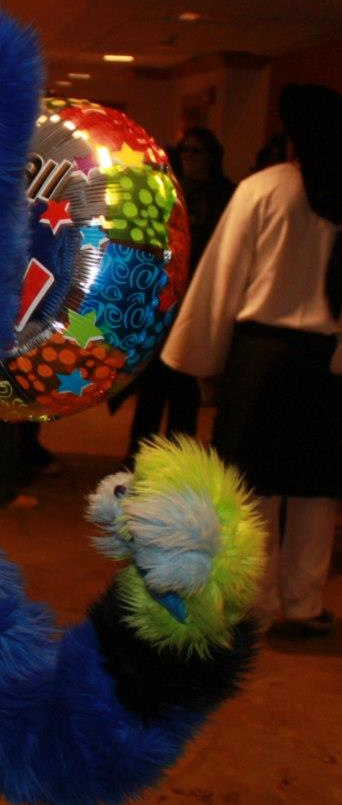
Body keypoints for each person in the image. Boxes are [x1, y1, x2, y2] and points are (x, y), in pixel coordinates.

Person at [162, 85, 342, 635]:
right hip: (328, 363)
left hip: (262, 360)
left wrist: (203, 358)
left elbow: (224, 277)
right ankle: (304, 604)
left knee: (252, 485)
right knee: (317, 489)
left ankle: (250, 604)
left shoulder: (263, 188)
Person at [124, 127, 234, 462]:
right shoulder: (171, 191)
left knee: (184, 388)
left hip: (197, 301)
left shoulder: (224, 197)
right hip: (163, 300)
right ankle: (137, 455)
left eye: (196, 151)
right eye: (184, 150)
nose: (188, 157)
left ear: (211, 156)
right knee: (153, 386)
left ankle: (175, 460)